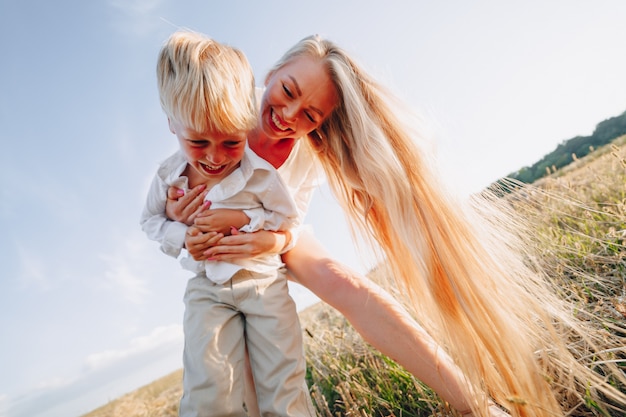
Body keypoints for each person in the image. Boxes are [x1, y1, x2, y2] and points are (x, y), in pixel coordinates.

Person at [167, 35, 626, 417]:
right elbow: (179, 181)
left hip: (275, 233)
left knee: (343, 282)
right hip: (225, 252)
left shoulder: (309, 150)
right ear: (271, 74)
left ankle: (476, 405)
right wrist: (181, 214)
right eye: (287, 91)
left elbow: (292, 218)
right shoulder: (223, 121)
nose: (289, 115)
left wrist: (276, 237)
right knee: (239, 365)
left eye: (310, 114)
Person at [140, 30, 315, 417]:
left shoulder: (261, 175)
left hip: (262, 283)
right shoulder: (169, 177)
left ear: (246, 127)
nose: (216, 158)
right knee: (208, 391)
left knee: (282, 383)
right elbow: (149, 221)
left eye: (232, 143)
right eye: (199, 143)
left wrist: (242, 218)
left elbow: (285, 219)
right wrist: (183, 236)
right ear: (173, 125)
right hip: (207, 288)